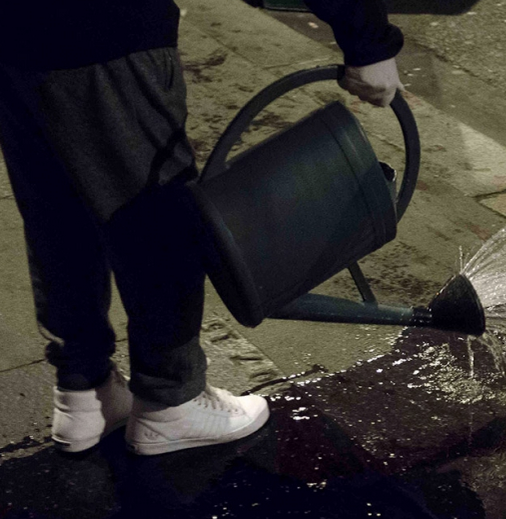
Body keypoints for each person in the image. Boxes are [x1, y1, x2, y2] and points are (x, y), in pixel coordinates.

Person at [0, 0, 404, 455]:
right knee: (154, 217)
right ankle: (171, 400)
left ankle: (83, 394)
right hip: (106, 29)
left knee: (58, 215)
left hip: (13, 33)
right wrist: (367, 40)